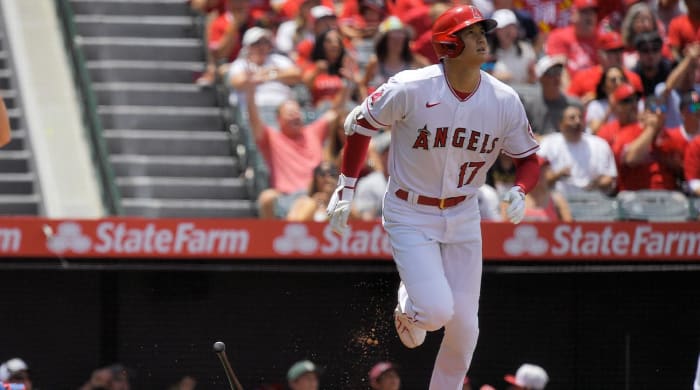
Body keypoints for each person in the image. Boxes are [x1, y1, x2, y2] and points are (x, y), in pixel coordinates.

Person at [325, 5, 540, 389]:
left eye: (482, 31)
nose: (481, 38)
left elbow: (527, 158)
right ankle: (410, 306)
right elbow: (360, 126)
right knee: (437, 313)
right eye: (471, 32)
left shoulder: (503, 99)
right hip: (410, 210)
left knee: (465, 329)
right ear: (448, 44)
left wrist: (522, 189)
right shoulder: (412, 86)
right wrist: (346, 186)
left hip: (463, 213)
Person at [244, 72, 342, 219]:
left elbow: (335, 112)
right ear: (279, 119)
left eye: (297, 112)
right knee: (269, 198)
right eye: (290, 113)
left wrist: (348, 85)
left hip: (318, 191)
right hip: (288, 197)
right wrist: (250, 93)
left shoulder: (313, 131)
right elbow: (254, 122)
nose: (295, 116)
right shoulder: (271, 138)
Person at [538, 104, 618, 196]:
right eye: (572, 118)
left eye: (580, 117)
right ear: (560, 124)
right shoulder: (548, 144)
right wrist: (558, 175)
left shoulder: (600, 145)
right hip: (560, 200)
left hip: (593, 202)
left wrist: (597, 183)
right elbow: (540, 180)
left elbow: (610, 178)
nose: (577, 121)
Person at [519, 55, 582, 137]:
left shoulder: (574, 104)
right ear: (541, 78)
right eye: (551, 73)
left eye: (558, 71)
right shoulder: (529, 106)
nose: (556, 77)